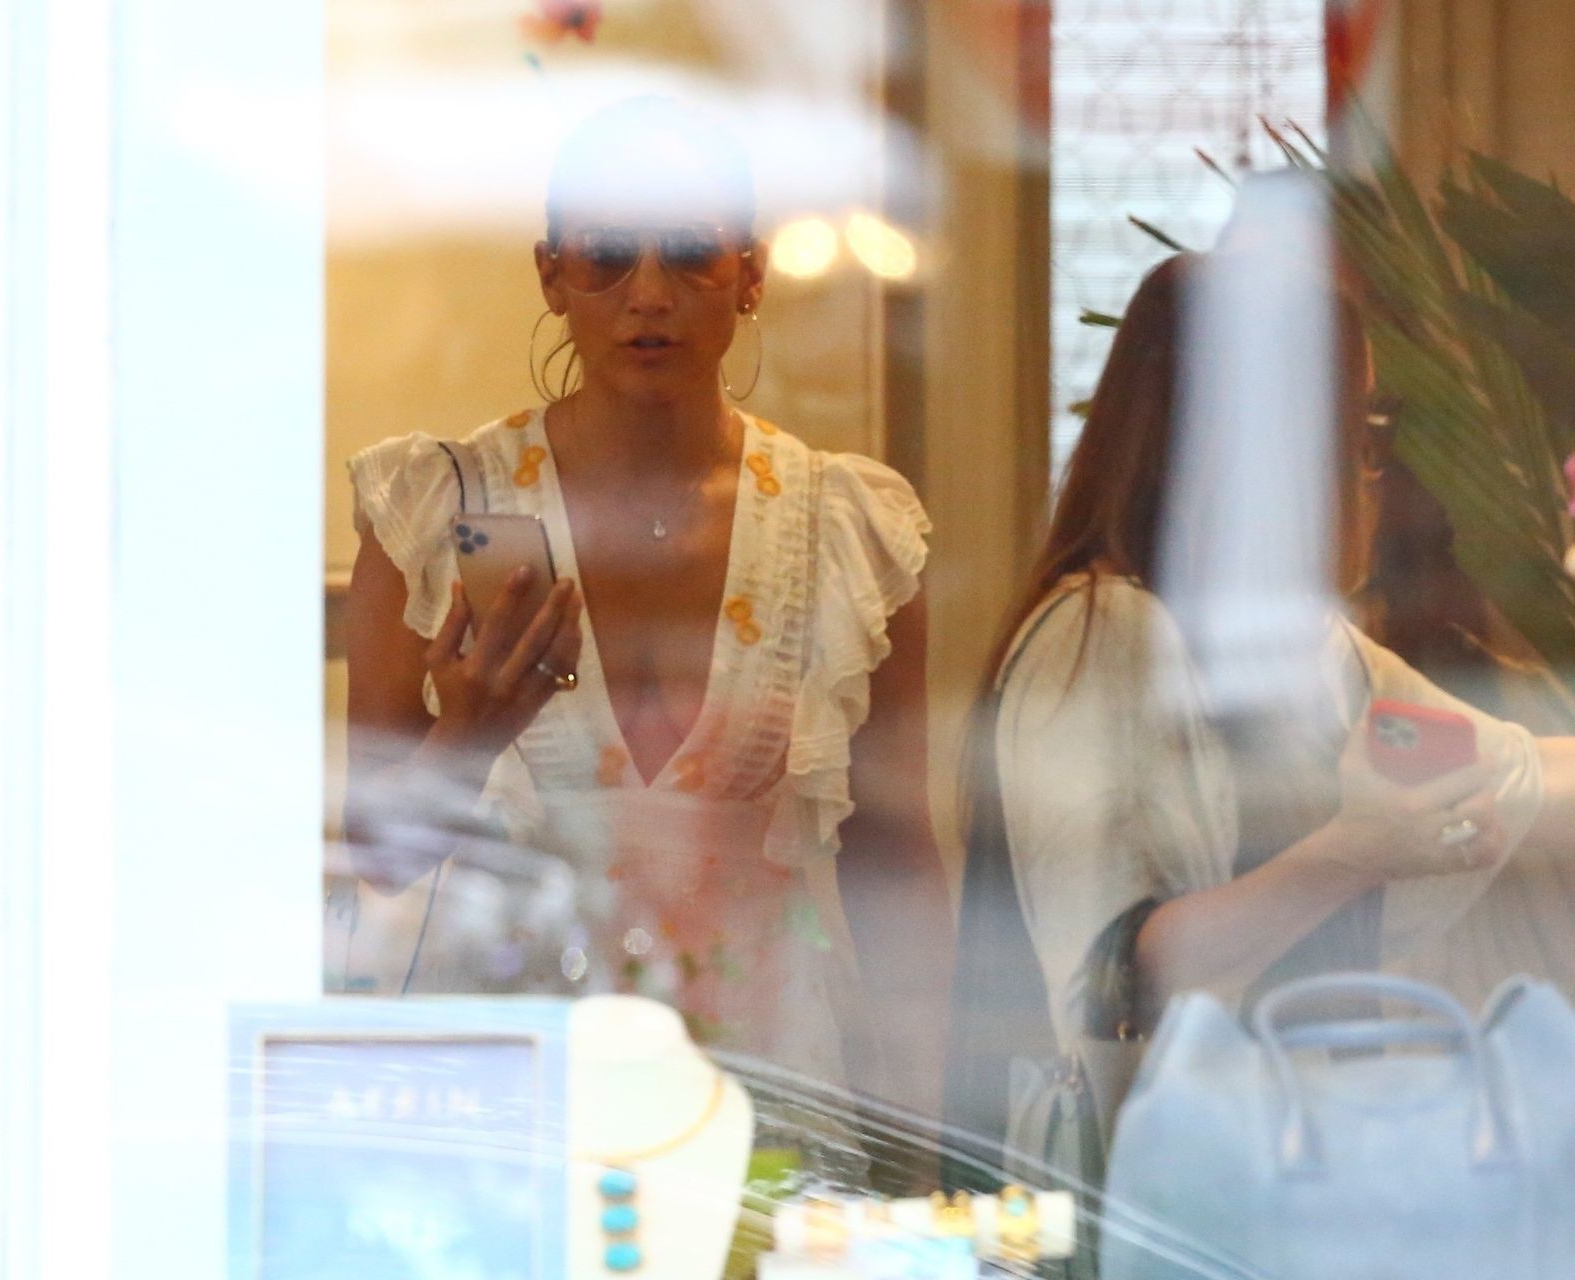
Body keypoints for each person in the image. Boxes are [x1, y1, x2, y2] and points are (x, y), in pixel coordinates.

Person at [342, 98, 953, 1133]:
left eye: (691, 254)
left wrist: (933, 1125)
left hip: (765, 1094)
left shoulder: (846, 523)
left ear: (750, 271)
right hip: (521, 1093)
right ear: (552, 276)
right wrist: (469, 733)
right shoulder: (437, 508)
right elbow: (370, 854)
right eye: (608, 256)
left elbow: (899, 865)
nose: (650, 295)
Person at [944, 251, 1575, 1176]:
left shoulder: (1311, 655)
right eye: (1357, 429)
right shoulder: (1101, 632)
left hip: (1285, 1174)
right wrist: (1355, 853)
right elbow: (1117, 976)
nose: (1368, 470)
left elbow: (1516, 770)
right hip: (1160, 1184)